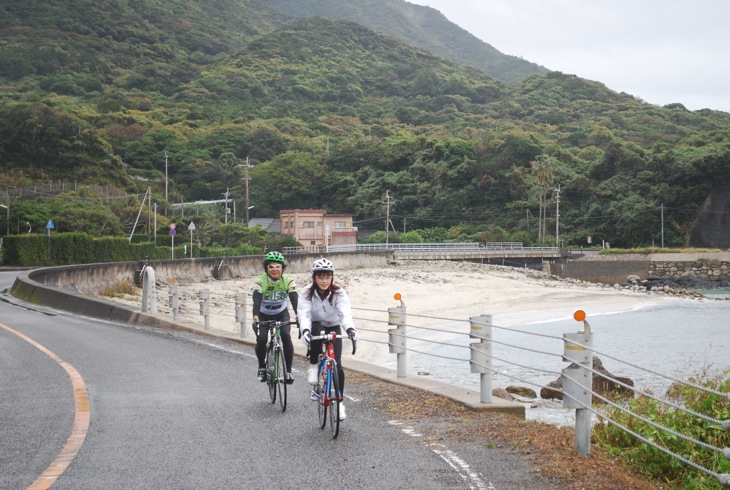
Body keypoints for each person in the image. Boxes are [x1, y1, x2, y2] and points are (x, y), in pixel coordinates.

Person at [297, 258, 359, 420]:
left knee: (337, 365)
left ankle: (339, 402)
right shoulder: (306, 292)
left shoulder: (338, 292)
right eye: (320, 277)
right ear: (314, 278)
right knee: (317, 331)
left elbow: (344, 314)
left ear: (332, 277)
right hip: (315, 324)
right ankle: (314, 366)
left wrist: (351, 329)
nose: (324, 281)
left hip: (333, 325)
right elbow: (303, 314)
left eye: (327, 277)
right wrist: (305, 331)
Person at [252, 251, 298, 384]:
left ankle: (288, 371)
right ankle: (261, 366)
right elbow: (257, 299)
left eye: (278, 266)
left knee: (286, 336)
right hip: (263, 314)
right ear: (266, 269)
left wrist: (298, 314)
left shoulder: (288, 280)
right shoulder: (261, 281)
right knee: (261, 339)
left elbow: (294, 298)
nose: (274, 270)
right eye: (271, 267)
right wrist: (255, 317)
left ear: (282, 268)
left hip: (281, 313)